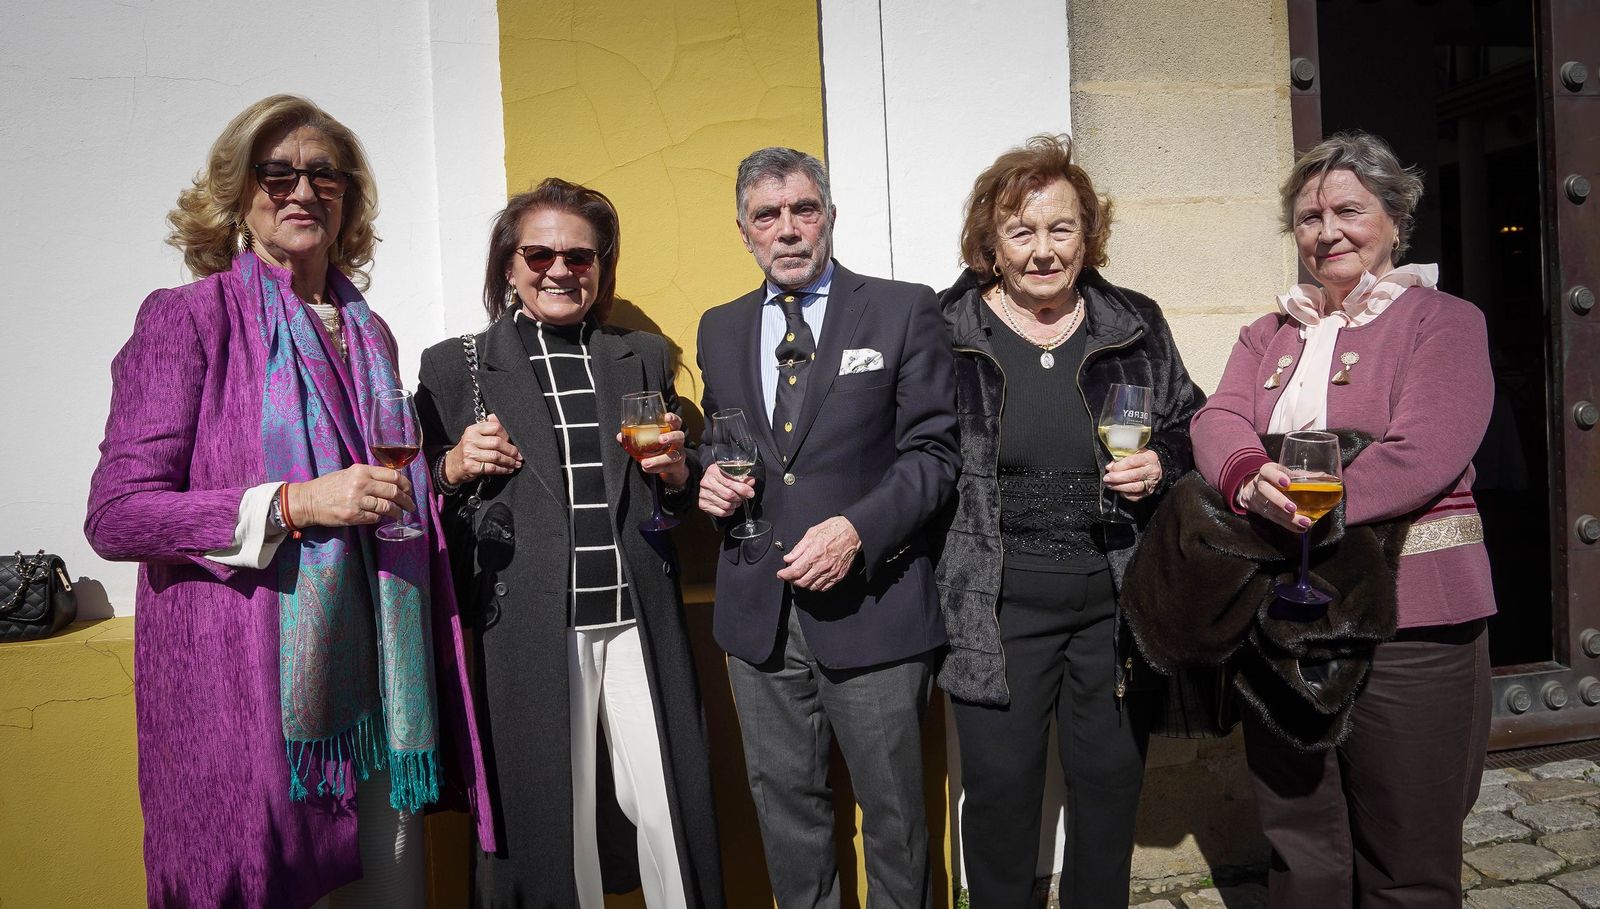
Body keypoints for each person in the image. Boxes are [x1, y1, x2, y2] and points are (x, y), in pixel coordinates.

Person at [85, 94, 492, 908]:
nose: (301, 190)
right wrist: (293, 504)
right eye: (277, 173)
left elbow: (388, 488)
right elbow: (117, 513)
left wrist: (435, 478)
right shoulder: (189, 319)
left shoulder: (369, 332)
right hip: (250, 686)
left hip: (380, 679)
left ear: (347, 200)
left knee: (394, 891)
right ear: (238, 193)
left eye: (323, 174)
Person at [1190, 131, 1495, 907]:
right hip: (1283, 618)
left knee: (1408, 853)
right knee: (1302, 844)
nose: (1326, 231)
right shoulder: (1270, 334)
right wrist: (1246, 474)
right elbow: (1217, 417)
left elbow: (1425, 450)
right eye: (1307, 216)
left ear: (1395, 218)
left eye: (1348, 211)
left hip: (1412, 617)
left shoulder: (1443, 321)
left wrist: (1306, 504)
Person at [415, 178, 724, 908]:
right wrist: (454, 465)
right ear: (508, 264)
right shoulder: (450, 365)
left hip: (635, 615)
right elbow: (414, 488)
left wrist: (679, 474)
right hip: (528, 624)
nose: (560, 270)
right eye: (540, 253)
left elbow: (676, 486)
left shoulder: (643, 354)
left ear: (601, 265)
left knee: (669, 806)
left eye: (580, 256)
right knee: (557, 815)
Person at [932, 134, 1206, 907]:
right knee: (998, 801)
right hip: (994, 605)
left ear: (1089, 236)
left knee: (1110, 790)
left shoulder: (1135, 322)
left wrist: (1163, 465)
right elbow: (911, 453)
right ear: (990, 242)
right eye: (1022, 231)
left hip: (1114, 602)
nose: (1043, 251)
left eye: (1062, 229)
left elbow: (1194, 424)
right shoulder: (946, 332)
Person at [694, 147, 959, 908]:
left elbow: (934, 454)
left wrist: (855, 530)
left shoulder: (904, 308)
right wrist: (713, 473)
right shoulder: (719, 326)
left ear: (831, 216)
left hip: (873, 607)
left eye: (803, 209)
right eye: (766, 216)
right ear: (745, 233)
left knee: (897, 821)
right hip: (758, 619)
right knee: (788, 814)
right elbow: (730, 435)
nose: (787, 229)